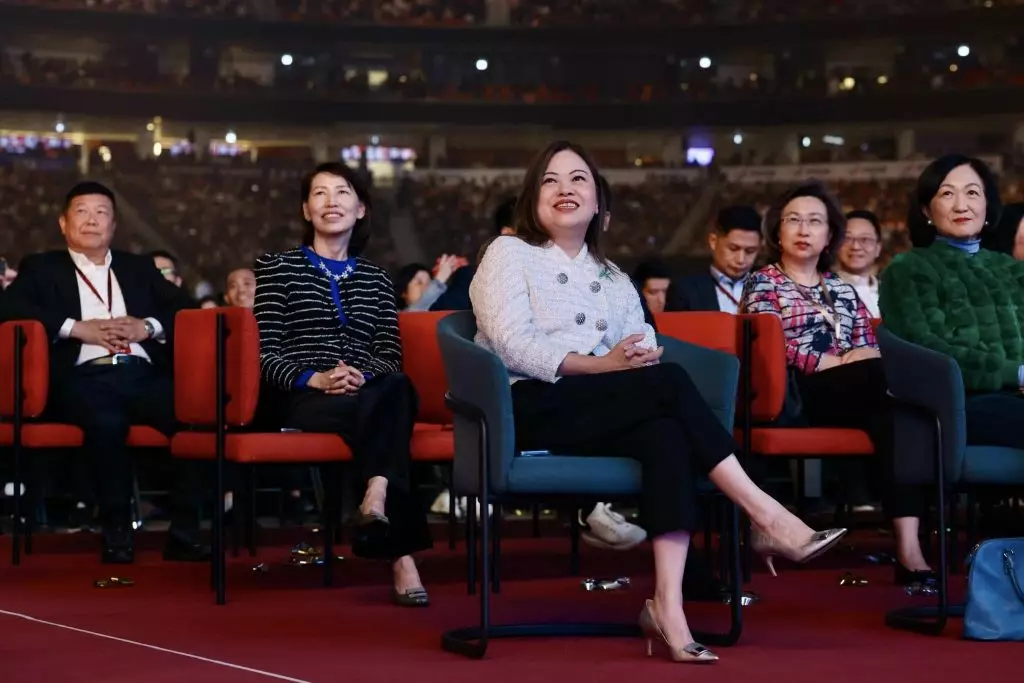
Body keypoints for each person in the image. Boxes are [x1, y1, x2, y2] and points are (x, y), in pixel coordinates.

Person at [470, 141, 845, 663]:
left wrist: (635, 356)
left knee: (666, 433)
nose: (564, 189)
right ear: (532, 198)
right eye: (550, 180)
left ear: (599, 203)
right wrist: (605, 364)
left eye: (578, 179)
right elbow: (512, 344)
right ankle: (765, 513)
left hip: (600, 406)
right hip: (529, 405)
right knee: (668, 384)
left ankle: (667, 606)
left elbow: (642, 341)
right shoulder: (508, 253)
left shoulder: (613, 276)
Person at [253, 162, 432, 607]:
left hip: (367, 391)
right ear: (306, 209)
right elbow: (264, 354)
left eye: (342, 192)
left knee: (396, 387)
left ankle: (377, 495)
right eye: (320, 193)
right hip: (305, 397)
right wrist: (317, 378)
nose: (331, 201)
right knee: (388, 416)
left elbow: (389, 354)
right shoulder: (278, 269)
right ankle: (399, 549)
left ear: (361, 208)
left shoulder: (376, 278)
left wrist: (360, 375)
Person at [0, 181, 207, 564]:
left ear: (113, 225)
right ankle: (116, 529)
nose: (91, 220)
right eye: (81, 211)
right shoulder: (41, 267)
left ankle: (185, 530)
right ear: (64, 223)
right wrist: (76, 328)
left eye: (101, 213)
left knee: (195, 417)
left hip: (142, 374)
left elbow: (186, 308)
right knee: (106, 422)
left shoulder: (138, 267)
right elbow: (8, 307)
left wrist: (146, 327)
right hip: (83, 376)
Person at [741, 181, 929, 585]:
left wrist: (854, 360)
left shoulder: (840, 288)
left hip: (856, 390)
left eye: (815, 221)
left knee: (899, 413)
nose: (803, 229)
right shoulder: (764, 282)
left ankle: (908, 546)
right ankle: (907, 544)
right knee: (887, 387)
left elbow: (868, 343)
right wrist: (830, 361)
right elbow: (767, 346)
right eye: (794, 220)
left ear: (829, 236)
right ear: (777, 232)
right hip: (796, 392)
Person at [880, 154, 1024, 534]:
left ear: (988, 205)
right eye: (947, 194)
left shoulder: (1012, 270)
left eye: (973, 193)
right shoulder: (908, 270)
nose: (962, 205)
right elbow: (930, 348)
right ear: (926, 210)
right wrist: (1016, 372)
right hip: (960, 404)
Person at [667, 205, 762, 313]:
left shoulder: (769, 287)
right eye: (733, 249)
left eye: (750, 251)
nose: (741, 260)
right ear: (713, 241)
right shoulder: (685, 290)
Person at [834, 210, 883, 318]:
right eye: (847, 239)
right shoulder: (822, 291)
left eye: (865, 239)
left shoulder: (891, 293)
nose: (856, 246)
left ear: (878, 248)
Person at [394, 255, 461, 311]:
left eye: (429, 283)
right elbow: (417, 309)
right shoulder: (396, 318)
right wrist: (441, 277)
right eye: (419, 283)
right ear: (404, 293)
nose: (426, 287)